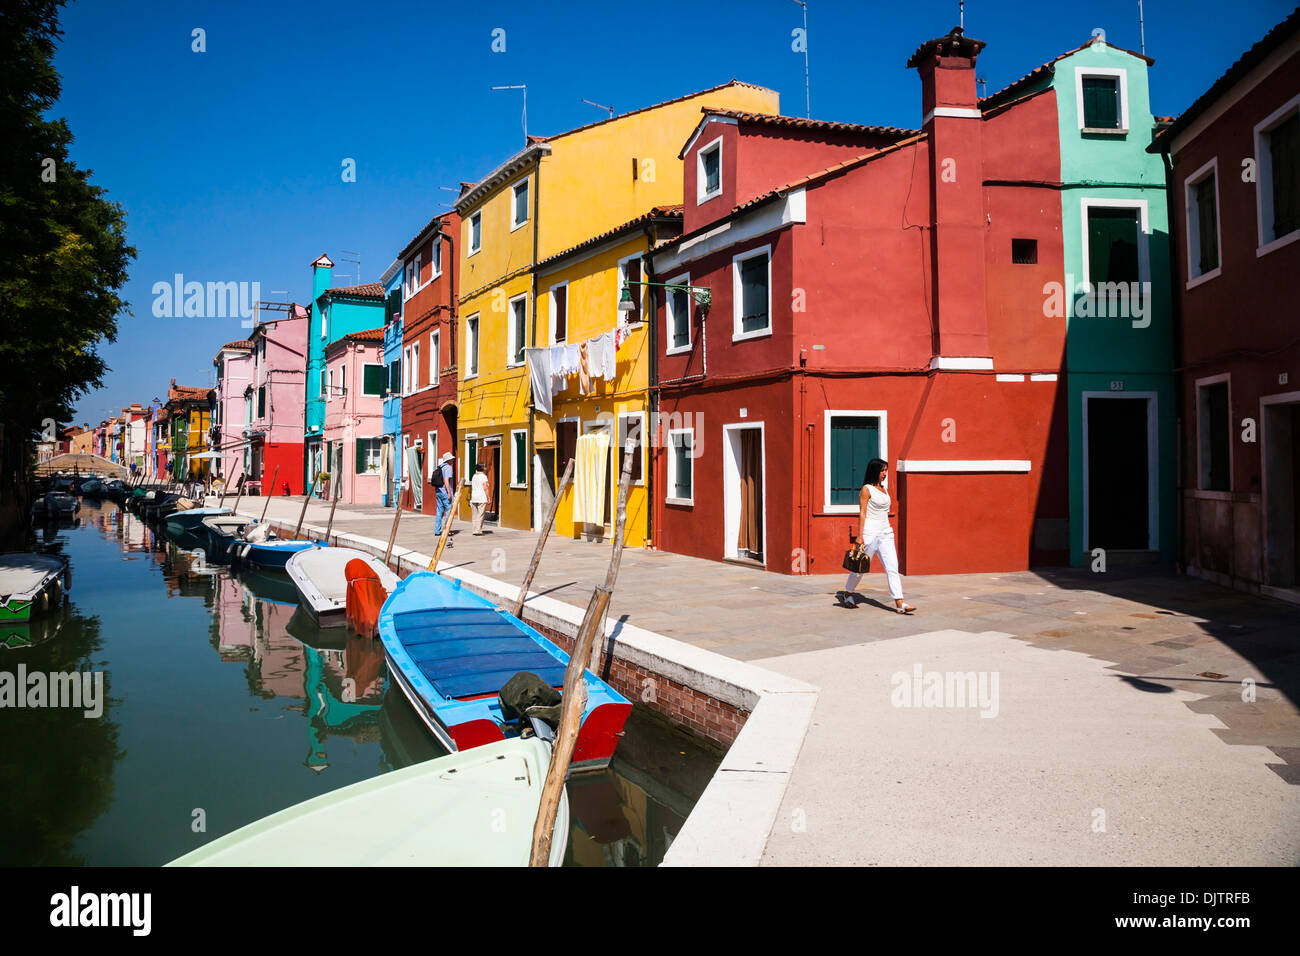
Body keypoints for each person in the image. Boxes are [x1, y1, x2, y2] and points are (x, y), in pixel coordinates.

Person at [840, 458, 915, 613]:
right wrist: (859, 537)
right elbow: (862, 512)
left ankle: (899, 603)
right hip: (869, 533)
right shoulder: (866, 489)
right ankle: (848, 592)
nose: (885, 474)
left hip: (886, 533)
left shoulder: (884, 489)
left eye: (886, 470)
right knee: (860, 568)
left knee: (892, 568)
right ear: (875, 471)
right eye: (882, 470)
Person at [432, 452, 455, 535]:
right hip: (445, 492)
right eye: (452, 459)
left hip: (438, 491)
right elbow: (446, 480)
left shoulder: (440, 467)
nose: (453, 460)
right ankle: (446, 530)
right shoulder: (448, 468)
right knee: (449, 510)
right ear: (449, 460)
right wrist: (449, 492)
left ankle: (437, 531)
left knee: (439, 511)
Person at [470, 463, 489, 535]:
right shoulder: (483, 476)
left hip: (474, 497)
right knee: (480, 514)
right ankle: (478, 530)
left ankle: (474, 530)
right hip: (481, 497)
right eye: (485, 467)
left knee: (474, 514)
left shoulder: (474, 476)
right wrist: (488, 497)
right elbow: (485, 488)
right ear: (483, 468)